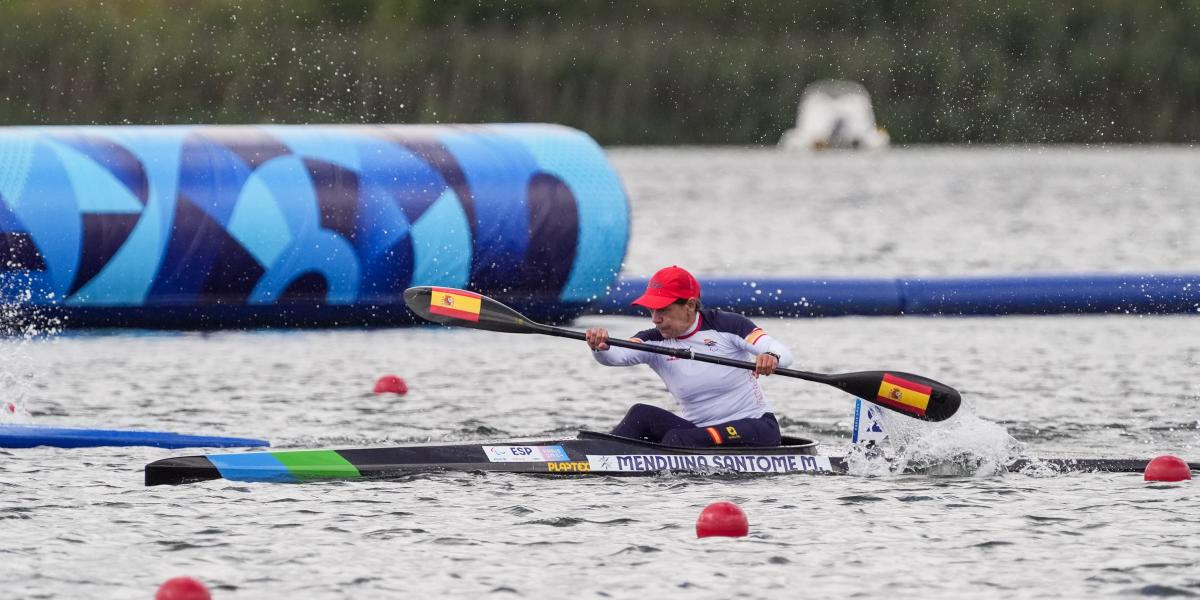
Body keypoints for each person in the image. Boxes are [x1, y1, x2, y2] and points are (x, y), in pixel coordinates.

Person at [585, 265, 794, 447]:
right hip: (699, 432)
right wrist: (600, 345)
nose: (655, 319)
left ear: (690, 306)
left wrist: (771, 356)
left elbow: (782, 352)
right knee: (640, 415)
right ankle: (595, 455)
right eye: (651, 311)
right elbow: (614, 356)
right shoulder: (653, 341)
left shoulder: (727, 325)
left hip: (755, 427)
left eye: (663, 310)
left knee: (678, 439)